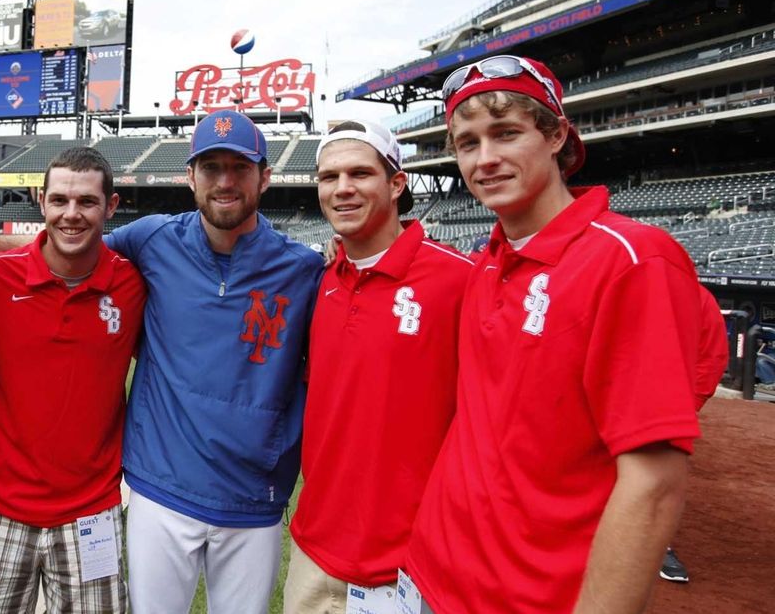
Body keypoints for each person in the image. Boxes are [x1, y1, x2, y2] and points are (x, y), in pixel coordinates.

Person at [400, 56, 703, 614]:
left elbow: (654, 485)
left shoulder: (632, 261)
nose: (484, 159)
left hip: (535, 598)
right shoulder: (488, 263)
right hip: (434, 576)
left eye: (506, 133)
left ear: (557, 135)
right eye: (467, 143)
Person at [114, 110, 323, 614]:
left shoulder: (304, 269)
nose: (225, 181)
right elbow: (63, 255)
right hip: (160, 489)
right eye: (210, 168)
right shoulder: (151, 239)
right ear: (190, 177)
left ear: (265, 176)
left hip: (254, 497)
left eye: (240, 167)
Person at [284, 119, 473, 613]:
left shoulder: (460, 280)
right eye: (329, 177)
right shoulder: (322, 282)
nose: (342, 189)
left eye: (360, 174)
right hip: (313, 548)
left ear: (395, 183)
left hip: (408, 565)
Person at [0, 147, 146, 612]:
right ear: (39, 200)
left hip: (93, 510)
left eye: (86, 202)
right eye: (59, 200)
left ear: (111, 206)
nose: (71, 214)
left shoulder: (134, 284)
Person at [660, 284, 730, 583]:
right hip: (603, 398)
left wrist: (686, 406)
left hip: (665, 404)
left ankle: (658, 545)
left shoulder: (697, 298)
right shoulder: (616, 284)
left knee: (657, 479)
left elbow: (712, 355)